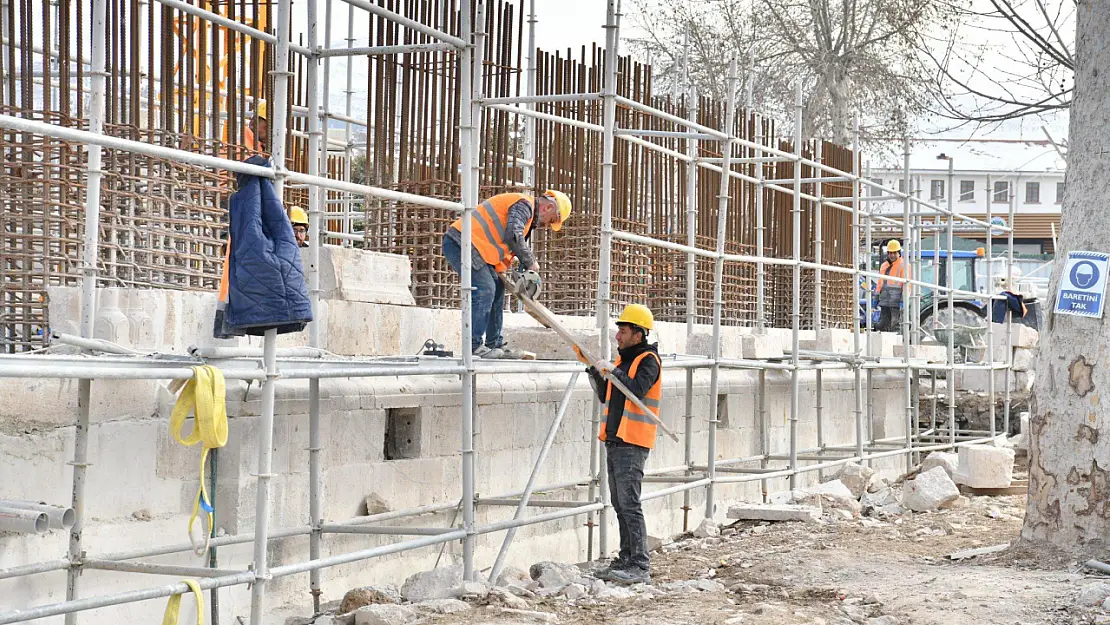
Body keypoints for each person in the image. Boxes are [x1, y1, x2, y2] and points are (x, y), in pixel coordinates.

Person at [574, 304, 661, 585]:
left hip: (632, 441)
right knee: (619, 503)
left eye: (622, 331)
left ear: (638, 334)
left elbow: (635, 390)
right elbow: (608, 396)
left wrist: (613, 371)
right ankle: (625, 559)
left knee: (630, 503)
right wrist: (596, 372)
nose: (617, 337)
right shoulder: (624, 362)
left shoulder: (648, 360)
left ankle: (640, 565)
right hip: (615, 440)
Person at [442, 190, 572, 358]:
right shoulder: (524, 206)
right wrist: (530, 261)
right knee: (485, 289)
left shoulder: (527, 213)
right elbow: (512, 234)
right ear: (548, 208)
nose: (548, 225)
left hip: (476, 247)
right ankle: (473, 346)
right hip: (461, 242)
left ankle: (494, 345)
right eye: (552, 220)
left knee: (497, 287)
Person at [876, 239, 908, 331]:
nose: (892, 255)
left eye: (894, 253)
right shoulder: (884, 266)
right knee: (882, 326)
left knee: (895, 326)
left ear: (899, 253)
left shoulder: (904, 265)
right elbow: (880, 284)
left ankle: (896, 344)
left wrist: (903, 300)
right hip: (884, 301)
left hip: (896, 302)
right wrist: (876, 297)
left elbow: (907, 286)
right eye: (890, 253)